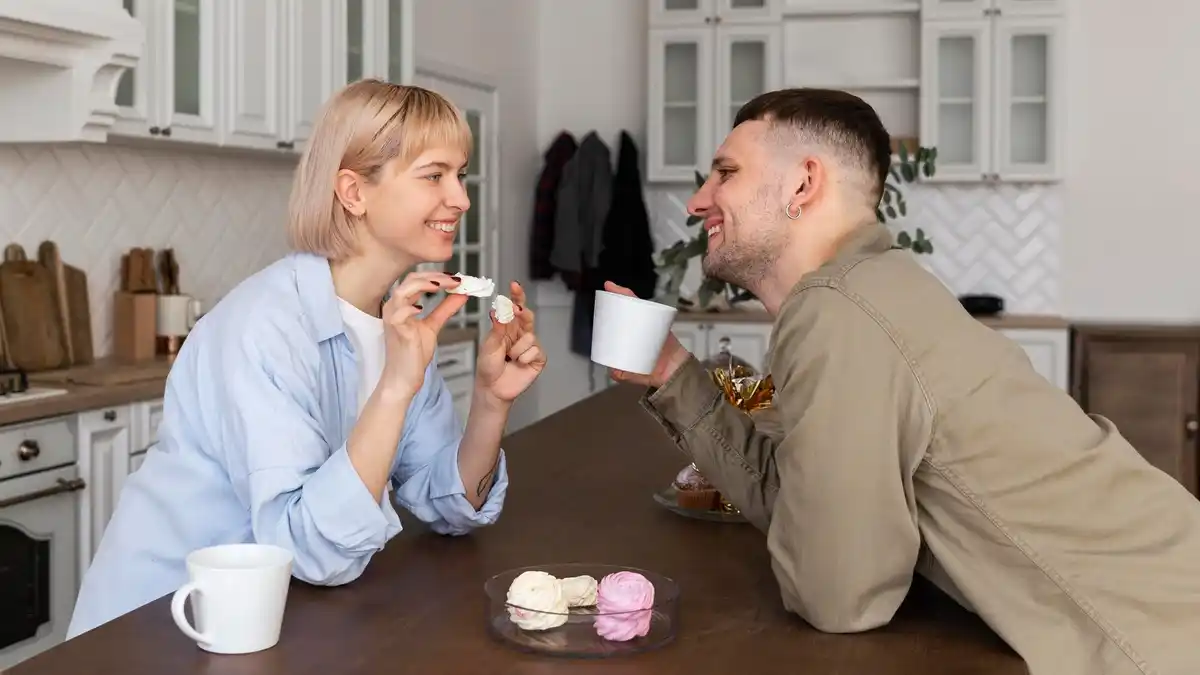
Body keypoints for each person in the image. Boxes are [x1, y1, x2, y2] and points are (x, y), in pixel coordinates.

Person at [607, 88, 1200, 675]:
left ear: (803, 184)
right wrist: (671, 371)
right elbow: (802, 499)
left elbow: (839, 596)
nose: (697, 201)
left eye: (726, 173)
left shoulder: (837, 310)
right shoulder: (872, 286)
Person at [67, 80, 546, 637]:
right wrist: (395, 387)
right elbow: (310, 551)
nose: (461, 198)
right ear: (353, 191)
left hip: (274, 624)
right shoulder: (264, 328)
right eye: (434, 175)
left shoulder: (394, 324)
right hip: (159, 627)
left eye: (460, 174)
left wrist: (490, 402)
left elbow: (449, 507)